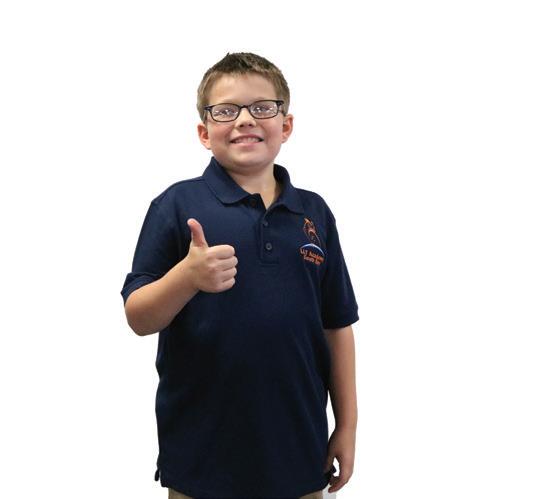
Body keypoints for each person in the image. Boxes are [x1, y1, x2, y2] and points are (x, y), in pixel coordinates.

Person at [120, 52, 360, 499]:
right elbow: (138, 317)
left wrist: (346, 426)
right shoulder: (176, 205)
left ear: (286, 125)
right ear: (204, 132)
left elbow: (337, 325)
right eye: (226, 110)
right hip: (201, 459)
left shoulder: (314, 213)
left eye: (262, 107)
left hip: (299, 453)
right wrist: (187, 277)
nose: (245, 120)